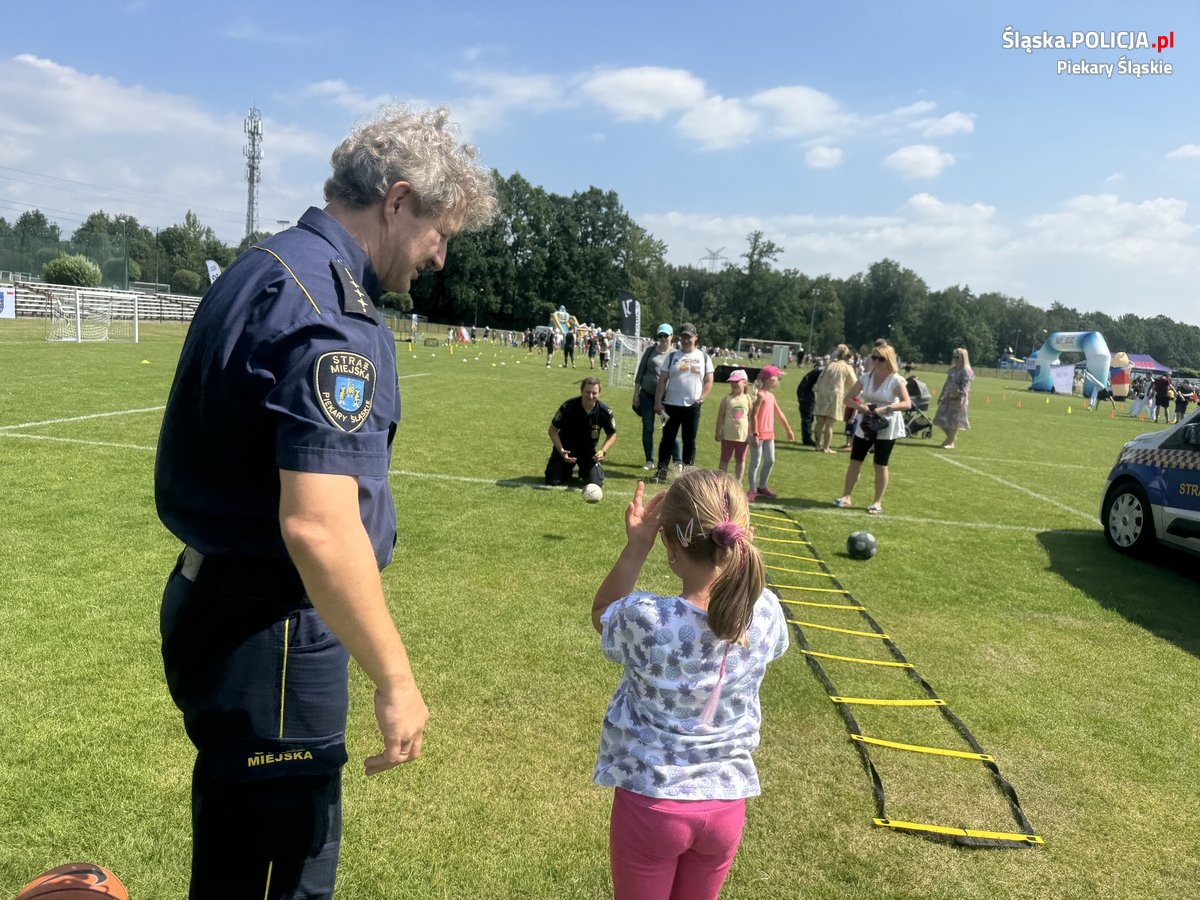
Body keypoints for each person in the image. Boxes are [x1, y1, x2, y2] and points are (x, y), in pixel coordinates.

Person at [154, 105, 498, 899]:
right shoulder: (328, 314)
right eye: (439, 233)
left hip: (221, 606)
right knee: (286, 870)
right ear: (398, 200)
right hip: (271, 630)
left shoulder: (266, 264)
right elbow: (317, 522)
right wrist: (396, 677)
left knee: (240, 854)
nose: (438, 258)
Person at [591, 470, 789, 900]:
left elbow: (603, 612)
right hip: (726, 805)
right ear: (744, 536)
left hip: (652, 802)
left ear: (670, 541)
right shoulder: (767, 612)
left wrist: (636, 544)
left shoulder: (646, 618)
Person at [833, 344, 912, 515]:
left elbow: (907, 403)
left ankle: (877, 501)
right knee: (855, 460)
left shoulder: (896, 380)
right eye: (874, 357)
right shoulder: (865, 377)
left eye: (881, 358)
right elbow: (848, 399)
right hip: (866, 424)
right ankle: (846, 496)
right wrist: (861, 408)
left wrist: (886, 409)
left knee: (880, 464)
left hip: (886, 425)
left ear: (889, 360)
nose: (876, 361)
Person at [654, 322, 714, 480]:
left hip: (692, 406)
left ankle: (688, 476)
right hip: (671, 405)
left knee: (689, 442)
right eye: (683, 337)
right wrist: (658, 402)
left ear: (695, 338)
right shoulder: (672, 356)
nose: (686, 340)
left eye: (689, 337)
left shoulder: (704, 357)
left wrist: (700, 400)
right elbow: (662, 380)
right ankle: (661, 473)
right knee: (666, 440)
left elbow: (709, 381)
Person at [545, 377, 618, 488]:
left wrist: (603, 451)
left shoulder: (604, 411)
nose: (590, 396)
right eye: (587, 392)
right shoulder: (568, 406)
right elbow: (552, 430)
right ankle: (565, 470)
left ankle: (588, 472)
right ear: (581, 391)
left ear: (599, 394)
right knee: (552, 480)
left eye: (594, 393)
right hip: (566, 450)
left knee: (595, 484)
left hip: (588, 452)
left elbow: (612, 434)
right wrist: (561, 451)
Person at [632, 325, 681, 471]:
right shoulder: (650, 351)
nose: (663, 339)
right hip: (646, 395)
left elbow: (680, 376)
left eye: (666, 336)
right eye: (660, 336)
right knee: (648, 428)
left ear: (672, 336)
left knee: (670, 428)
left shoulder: (676, 354)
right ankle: (649, 460)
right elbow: (640, 372)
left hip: (667, 398)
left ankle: (678, 461)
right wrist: (636, 393)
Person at [746, 365, 795, 502]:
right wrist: (755, 434)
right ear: (769, 380)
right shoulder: (760, 395)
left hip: (769, 434)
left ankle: (762, 486)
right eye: (777, 377)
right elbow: (753, 415)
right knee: (755, 461)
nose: (778, 380)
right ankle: (752, 489)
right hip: (758, 434)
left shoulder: (771, 396)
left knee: (770, 460)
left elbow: (779, 414)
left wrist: (788, 430)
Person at [812, 344, 857, 454]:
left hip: (823, 394)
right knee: (829, 423)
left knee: (820, 421)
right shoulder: (847, 367)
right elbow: (854, 384)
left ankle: (818, 445)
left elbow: (820, 378)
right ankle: (826, 447)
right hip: (835, 396)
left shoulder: (830, 365)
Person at [714, 368, 752, 486]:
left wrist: (752, 433)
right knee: (724, 459)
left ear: (744, 382)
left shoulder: (748, 399)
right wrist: (718, 431)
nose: (734, 384)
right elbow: (720, 416)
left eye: (737, 381)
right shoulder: (726, 399)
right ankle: (721, 481)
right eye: (732, 382)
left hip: (742, 436)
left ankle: (738, 482)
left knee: (740, 459)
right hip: (728, 435)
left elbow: (751, 417)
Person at [933, 347, 975, 449]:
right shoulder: (952, 370)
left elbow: (966, 386)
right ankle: (950, 438)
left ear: (963, 358)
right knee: (940, 419)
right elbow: (946, 383)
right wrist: (941, 395)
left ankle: (950, 442)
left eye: (957, 357)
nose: (955, 359)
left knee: (953, 422)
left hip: (958, 398)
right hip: (948, 396)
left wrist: (963, 399)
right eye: (954, 357)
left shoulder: (966, 371)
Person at [795, 361, 821, 447]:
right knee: (807, 415)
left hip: (806, 389)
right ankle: (806, 438)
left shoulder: (820, 370)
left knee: (808, 415)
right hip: (805, 391)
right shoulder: (823, 372)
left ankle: (807, 437)